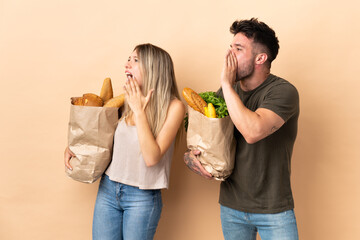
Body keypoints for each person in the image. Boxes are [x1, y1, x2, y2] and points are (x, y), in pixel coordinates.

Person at [184, 18, 300, 240]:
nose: (229, 56)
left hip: (274, 210)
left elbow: (253, 131)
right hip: (232, 208)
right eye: (230, 48)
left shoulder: (284, 92)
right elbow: (212, 139)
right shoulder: (225, 92)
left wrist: (227, 85)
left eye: (238, 49)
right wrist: (192, 158)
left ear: (260, 58)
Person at [64, 43, 185, 240]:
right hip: (109, 190)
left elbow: (151, 157)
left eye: (135, 60)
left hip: (142, 197)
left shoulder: (174, 107)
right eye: (128, 59)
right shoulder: (124, 100)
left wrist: (139, 111)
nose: (127, 64)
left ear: (154, 67)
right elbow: (101, 139)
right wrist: (75, 147)